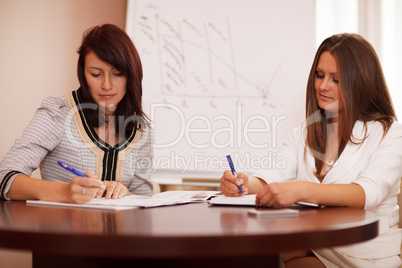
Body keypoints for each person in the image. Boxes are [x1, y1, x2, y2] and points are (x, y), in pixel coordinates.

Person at [220, 33, 402, 267]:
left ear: (360, 81)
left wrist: (302, 190)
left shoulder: (391, 133)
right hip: (318, 243)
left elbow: (367, 193)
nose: (323, 86)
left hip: (363, 254)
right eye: (319, 75)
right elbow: (271, 176)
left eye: (336, 79)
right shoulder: (307, 131)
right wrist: (243, 184)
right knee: (244, 257)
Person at [0, 24, 153, 204]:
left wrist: (125, 192)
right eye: (96, 74)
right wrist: (64, 192)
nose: (106, 85)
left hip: (118, 231)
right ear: (83, 74)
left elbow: (144, 201)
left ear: (132, 76)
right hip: (62, 230)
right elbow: (4, 177)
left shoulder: (140, 128)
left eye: (117, 73)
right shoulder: (57, 113)